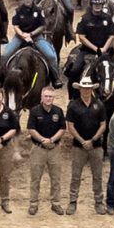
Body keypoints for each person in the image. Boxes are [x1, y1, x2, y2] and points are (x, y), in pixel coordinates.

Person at [64, 75, 107, 215]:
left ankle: (99, 202)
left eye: (88, 88)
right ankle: (72, 201)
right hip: (78, 146)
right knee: (76, 175)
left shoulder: (99, 104)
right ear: (80, 89)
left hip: (96, 146)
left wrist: (92, 140)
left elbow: (103, 125)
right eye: (84, 88)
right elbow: (70, 126)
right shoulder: (73, 105)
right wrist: (82, 141)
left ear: (91, 89)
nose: (86, 90)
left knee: (98, 176)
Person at [26, 85, 66, 216]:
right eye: (46, 96)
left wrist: (52, 139)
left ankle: (56, 203)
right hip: (38, 149)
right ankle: (33, 203)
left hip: (54, 149)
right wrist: (43, 140)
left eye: (50, 96)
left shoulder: (58, 111)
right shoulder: (34, 111)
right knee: (35, 178)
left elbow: (62, 129)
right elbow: (31, 129)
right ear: (41, 97)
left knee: (56, 178)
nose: (48, 98)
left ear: (54, 97)